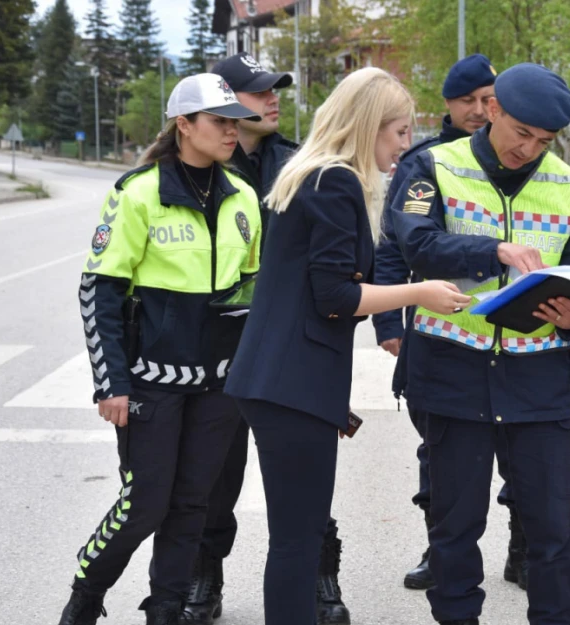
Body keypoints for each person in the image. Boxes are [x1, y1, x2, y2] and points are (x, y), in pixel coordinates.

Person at [223, 67, 471, 625]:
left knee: (297, 534)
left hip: (283, 379)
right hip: (291, 383)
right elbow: (333, 295)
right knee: (297, 540)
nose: (406, 145)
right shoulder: (333, 181)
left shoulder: (307, 173)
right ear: (367, 126)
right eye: (399, 132)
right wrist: (421, 293)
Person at [390, 63, 570, 625]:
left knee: (552, 529)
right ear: (492, 111)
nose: (530, 149)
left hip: (538, 385)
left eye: (544, 140)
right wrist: (495, 250)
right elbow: (416, 244)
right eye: (522, 134)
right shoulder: (431, 166)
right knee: (455, 527)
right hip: (452, 375)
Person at [58, 74, 263, 625]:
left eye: (234, 121)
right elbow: (98, 291)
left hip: (219, 385)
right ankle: (86, 591)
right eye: (219, 121)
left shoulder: (243, 196)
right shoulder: (138, 192)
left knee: (193, 505)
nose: (231, 131)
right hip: (151, 383)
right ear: (184, 126)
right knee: (145, 502)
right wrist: (112, 382)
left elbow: (254, 291)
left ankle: (165, 609)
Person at [180, 52, 350, 625]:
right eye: (259, 92)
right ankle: (206, 575)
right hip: (217, 349)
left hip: (286, 348)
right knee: (215, 472)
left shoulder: (300, 164)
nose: (274, 98)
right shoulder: (200, 172)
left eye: (276, 89)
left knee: (302, 474)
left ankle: (320, 574)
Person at [372, 54, 528, 592]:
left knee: (517, 449)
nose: (480, 110)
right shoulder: (425, 162)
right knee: (439, 450)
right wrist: (390, 321)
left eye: (489, 99)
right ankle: (442, 548)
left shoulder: (519, 158)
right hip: (440, 334)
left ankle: (523, 545)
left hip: (516, 337)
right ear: (449, 105)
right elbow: (394, 246)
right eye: (468, 101)